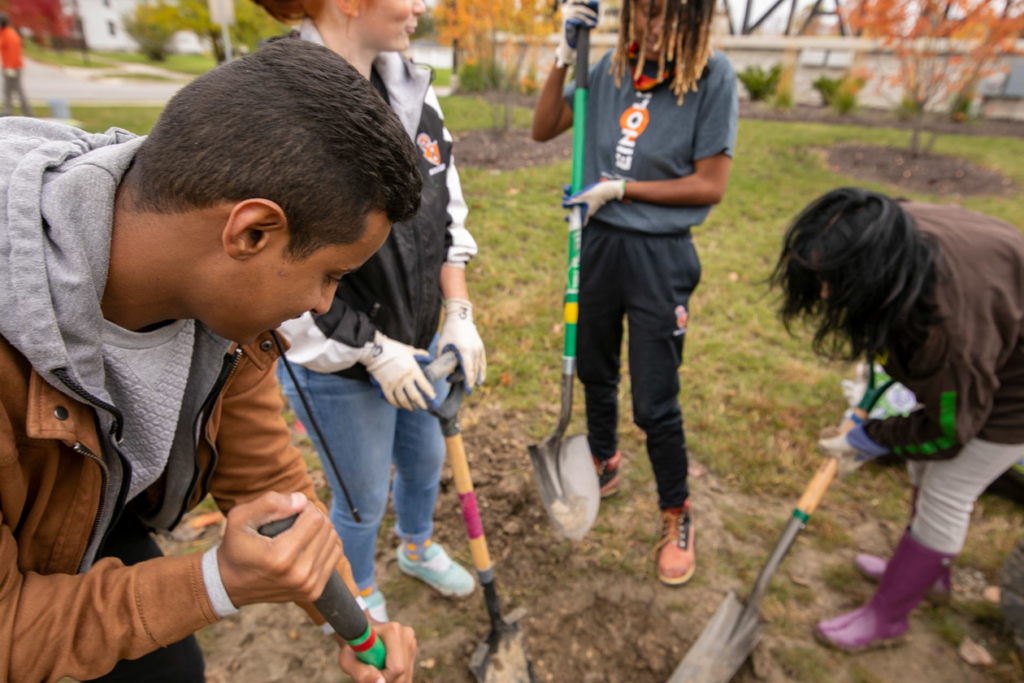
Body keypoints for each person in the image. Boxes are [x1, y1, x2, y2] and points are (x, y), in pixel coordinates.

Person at [0, 40, 421, 683]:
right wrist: (214, 581)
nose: (320, 305)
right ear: (251, 232)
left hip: (92, 518)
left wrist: (354, 620)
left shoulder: (218, 309)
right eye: (331, 275)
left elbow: (264, 482)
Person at [252, 0, 485, 621]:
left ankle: (416, 548)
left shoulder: (412, 92)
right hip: (337, 360)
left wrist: (458, 311)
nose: (422, 6)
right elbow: (270, 271)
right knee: (359, 496)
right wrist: (372, 350)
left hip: (416, 342)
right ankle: (357, 591)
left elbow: (447, 212)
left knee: (423, 460)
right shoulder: (278, 103)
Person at [532, 0, 737, 585]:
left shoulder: (712, 75)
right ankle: (603, 458)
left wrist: (621, 188)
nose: (650, 26)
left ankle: (677, 510)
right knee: (596, 368)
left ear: (695, 21)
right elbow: (543, 126)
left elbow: (710, 183)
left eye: (667, 15)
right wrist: (562, 52)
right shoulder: (609, 68)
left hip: (660, 256)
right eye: (642, 11)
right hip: (596, 244)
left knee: (653, 399)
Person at [771, 187, 1024, 652]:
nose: (824, 293)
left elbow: (949, 431)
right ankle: (925, 576)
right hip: (994, 325)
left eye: (835, 283)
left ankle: (888, 617)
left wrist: (871, 438)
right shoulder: (880, 230)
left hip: (1016, 389)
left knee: (948, 485)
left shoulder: (946, 332)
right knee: (920, 466)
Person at [0, 14, 30, 117]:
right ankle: (7, 112)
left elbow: (13, 52)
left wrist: (10, 67)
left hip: (13, 68)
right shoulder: (5, 33)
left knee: (18, 91)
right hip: (9, 67)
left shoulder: (9, 34)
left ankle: (28, 114)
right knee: (7, 90)